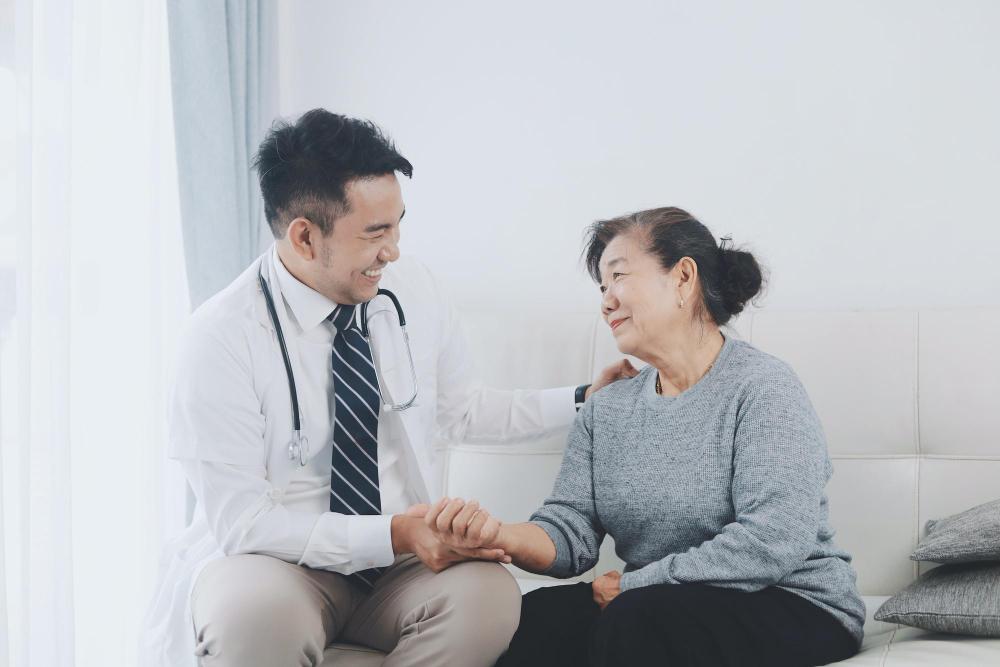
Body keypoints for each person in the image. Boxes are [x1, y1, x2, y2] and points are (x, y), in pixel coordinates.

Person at [140, 108, 634, 667]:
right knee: (252, 617)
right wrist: (396, 532)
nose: (393, 249)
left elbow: (463, 410)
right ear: (305, 237)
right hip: (275, 562)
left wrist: (582, 400)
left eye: (397, 225)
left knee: (488, 597)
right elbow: (245, 524)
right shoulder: (219, 338)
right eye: (375, 233)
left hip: (400, 568)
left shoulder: (411, 289)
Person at [424, 207, 866, 667]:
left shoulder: (763, 388)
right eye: (601, 287)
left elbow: (772, 540)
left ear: (683, 278)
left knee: (638, 619)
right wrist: (500, 535)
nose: (606, 302)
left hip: (791, 602)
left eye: (618, 276)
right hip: (660, 603)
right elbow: (570, 530)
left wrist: (636, 583)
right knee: (539, 616)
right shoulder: (607, 408)